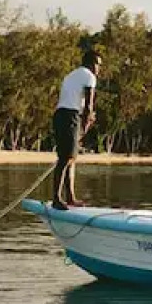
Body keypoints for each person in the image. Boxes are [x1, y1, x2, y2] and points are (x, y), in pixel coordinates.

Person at [52, 48, 100, 208]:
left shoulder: (72, 75)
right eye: (98, 64)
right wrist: (87, 122)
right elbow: (89, 105)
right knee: (66, 159)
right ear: (90, 64)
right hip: (70, 116)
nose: (99, 69)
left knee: (71, 158)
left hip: (61, 115)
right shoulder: (89, 76)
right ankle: (56, 199)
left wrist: (84, 121)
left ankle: (70, 197)